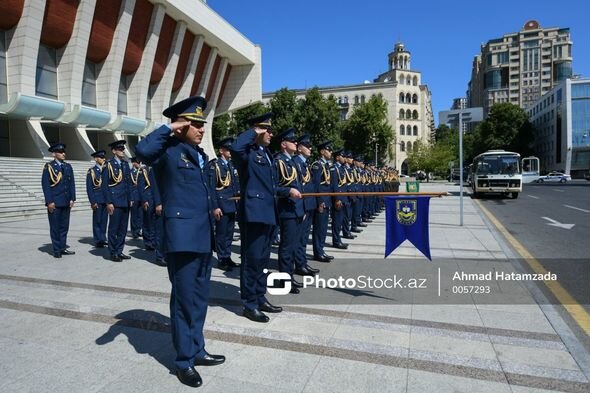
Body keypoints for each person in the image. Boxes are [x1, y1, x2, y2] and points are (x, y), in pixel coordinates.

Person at [135, 95, 224, 388]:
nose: (201, 129)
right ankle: (184, 361)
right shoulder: (167, 152)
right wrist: (170, 128)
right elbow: (142, 151)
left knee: (199, 300)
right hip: (182, 238)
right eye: (195, 123)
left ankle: (197, 349)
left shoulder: (198, 155)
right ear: (181, 124)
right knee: (184, 301)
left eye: (202, 123)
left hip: (202, 236)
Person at [230, 112, 301, 323]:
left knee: (261, 261)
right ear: (257, 130)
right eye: (266, 129)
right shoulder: (247, 153)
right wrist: (253, 131)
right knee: (251, 260)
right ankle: (249, 304)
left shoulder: (266, 154)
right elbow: (235, 148)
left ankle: (260, 296)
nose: (271, 133)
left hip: (269, 213)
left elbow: (269, 187)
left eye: (270, 130)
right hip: (253, 214)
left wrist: (286, 191)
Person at [275, 128, 305, 294]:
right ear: (283, 144)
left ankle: (290, 276)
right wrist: (287, 192)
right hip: (286, 210)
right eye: (292, 141)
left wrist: (302, 209)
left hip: (296, 209)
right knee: (286, 247)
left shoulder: (293, 162)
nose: (295, 144)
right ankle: (284, 280)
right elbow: (273, 188)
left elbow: (299, 185)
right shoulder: (278, 161)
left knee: (293, 246)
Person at [208, 137, 240, 271]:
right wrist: (215, 207)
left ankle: (227, 257)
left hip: (232, 204)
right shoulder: (214, 166)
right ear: (221, 151)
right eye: (228, 149)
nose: (230, 152)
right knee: (221, 235)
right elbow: (211, 188)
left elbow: (235, 185)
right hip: (221, 204)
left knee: (229, 234)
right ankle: (221, 259)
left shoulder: (232, 165)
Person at [42, 143, 76, 258]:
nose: (63, 154)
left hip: (66, 201)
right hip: (55, 202)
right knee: (55, 227)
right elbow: (46, 186)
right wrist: (49, 201)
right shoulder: (49, 167)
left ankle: (62, 248)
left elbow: (71, 184)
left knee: (64, 227)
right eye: (60, 152)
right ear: (54, 154)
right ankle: (56, 249)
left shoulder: (68, 166)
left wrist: (72, 198)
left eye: (63, 152)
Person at [292, 134, 320, 277]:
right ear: (300, 148)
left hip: (309, 205)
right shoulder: (296, 162)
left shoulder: (305, 163)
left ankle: (302, 262)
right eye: (307, 146)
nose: (310, 149)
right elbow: (298, 187)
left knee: (304, 238)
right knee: (299, 238)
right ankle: (299, 264)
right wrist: (301, 207)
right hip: (302, 206)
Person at [102, 140, 132, 262]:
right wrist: (108, 202)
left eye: (123, 148)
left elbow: (128, 184)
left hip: (125, 201)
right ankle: (113, 252)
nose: (122, 151)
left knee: (123, 229)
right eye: (120, 149)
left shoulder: (125, 164)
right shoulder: (108, 165)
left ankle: (119, 250)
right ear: (114, 151)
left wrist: (130, 199)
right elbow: (105, 186)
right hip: (114, 201)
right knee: (114, 228)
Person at [311, 141, 335, 262]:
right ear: (322, 151)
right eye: (328, 150)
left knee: (324, 228)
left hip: (327, 200)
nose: (330, 152)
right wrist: (319, 201)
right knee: (319, 228)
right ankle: (318, 252)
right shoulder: (317, 165)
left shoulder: (326, 165)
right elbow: (316, 186)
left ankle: (321, 250)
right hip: (321, 201)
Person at [137, 165, 164, 266]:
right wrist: (144, 199)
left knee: (155, 223)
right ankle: (149, 241)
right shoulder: (144, 170)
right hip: (149, 197)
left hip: (155, 197)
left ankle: (153, 242)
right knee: (148, 221)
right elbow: (141, 185)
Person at [86, 150, 108, 248]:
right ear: (96, 159)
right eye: (101, 157)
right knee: (97, 220)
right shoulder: (92, 171)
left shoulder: (107, 169)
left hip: (106, 198)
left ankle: (103, 238)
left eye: (104, 157)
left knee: (104, 220)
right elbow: (89, 188)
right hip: (97, 198)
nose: (103, 159)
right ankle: (98, 239)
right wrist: (93, 201)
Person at [129, 157, 143, 239]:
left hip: (140, 196)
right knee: (134, 215)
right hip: (134, 196)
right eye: (137, 163)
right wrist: (130, 198)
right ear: (133, 163)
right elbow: (129, 186)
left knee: (140, 215)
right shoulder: (130, 172)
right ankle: (134, 231)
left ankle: (138, 229)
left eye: (139, 163)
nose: (138, 164)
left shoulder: (141, 171)